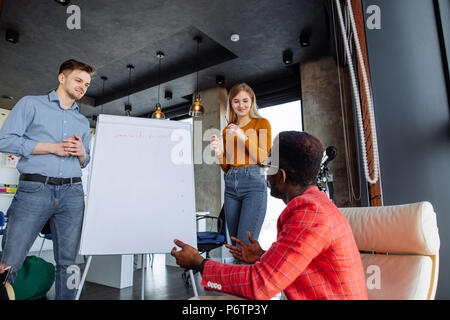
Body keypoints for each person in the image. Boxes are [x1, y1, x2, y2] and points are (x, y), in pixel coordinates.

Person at [171, 131, 368, 300]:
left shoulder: (309, 213)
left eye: (268, 164)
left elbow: (259, 284)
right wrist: (263, 257)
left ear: (281, 176)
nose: (264, 171)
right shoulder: (317, 205)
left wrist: (200, 263)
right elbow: (301, 266)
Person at [0, 59, 94, 300]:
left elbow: (85, 160)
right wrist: (51, 147)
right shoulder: (31, 104)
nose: (83, 87)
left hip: (73, 194)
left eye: (87, 84)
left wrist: (82, 152)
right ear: (61, 78)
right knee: (11, 259)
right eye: (78, 80)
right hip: (35, 189)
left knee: (69, 262)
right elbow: (5, 141)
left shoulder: (82, 122)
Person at [210, 83, 271, 250]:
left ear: (251, 101)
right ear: (231, 104)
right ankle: (240, 276)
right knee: (235, 246)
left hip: (253, 184)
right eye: (236, 101)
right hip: (230, 185)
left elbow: (264, 159)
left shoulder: (261, 123)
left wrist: (242, 136)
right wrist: (218, 152)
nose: (241, 105)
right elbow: (226, 167)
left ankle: (247, 276)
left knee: (246, 247)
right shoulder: (227, 130)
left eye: (245, 101)